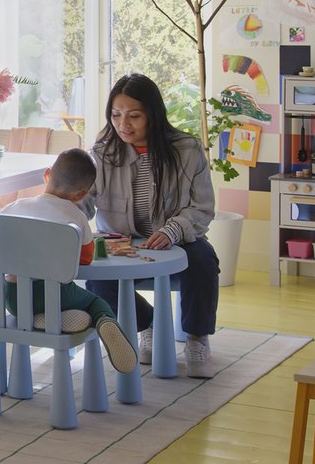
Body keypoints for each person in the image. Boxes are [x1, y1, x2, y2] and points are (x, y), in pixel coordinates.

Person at [81, 73, 222, 379]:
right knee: (97, 279)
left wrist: (172, 231)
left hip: (177, 239)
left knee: (203, 260)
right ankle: (149, 324)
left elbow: (203, 208)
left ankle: (197, 338)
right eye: (116, 115)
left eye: (134, 115)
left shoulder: (186, 149)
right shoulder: (103, 153)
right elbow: (84, 200)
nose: (123, 124)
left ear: (153, 115)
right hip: (121, 243)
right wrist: (60, 206)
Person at [0, 148, 137, 374]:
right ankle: (102, 320)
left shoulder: (16, 207)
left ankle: (40, 318)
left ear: (47, 175)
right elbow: (85, 258)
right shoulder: (75, 216)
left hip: (12, 297)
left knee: (31, 297)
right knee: (95, 303)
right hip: (55, 294)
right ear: (81, 195)